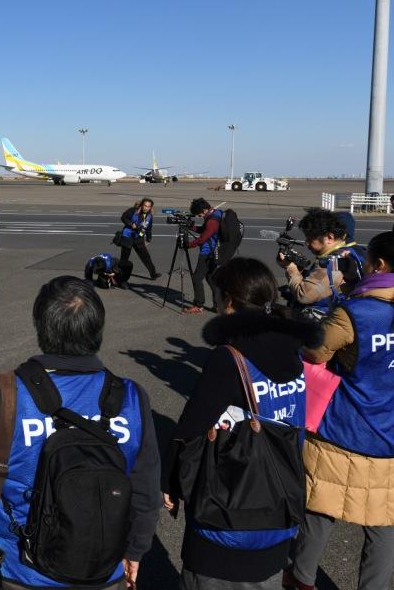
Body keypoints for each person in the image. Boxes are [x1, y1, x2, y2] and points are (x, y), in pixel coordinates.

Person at [0, 276, 161, 589]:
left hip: (21, 569)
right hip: (105, 567)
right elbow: (145, 489)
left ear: (41, 327)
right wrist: (136, 550)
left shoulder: (3, 393)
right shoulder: (131, 398)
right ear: (98, 330)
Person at [162, 257, 322, 589]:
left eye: (218, 296)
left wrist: (171, 482)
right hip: (280, 501)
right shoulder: (293, 352)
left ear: (229, 301)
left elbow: (191, 429)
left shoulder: (230, 357)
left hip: (226, 515)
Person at [286, 231, 394, 590]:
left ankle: (301, 577)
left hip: (345, 424)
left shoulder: (357, 311)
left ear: (378, 265)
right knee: (382, 521)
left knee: (321, 505)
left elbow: (315, 351)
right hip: (389, 432)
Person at [278, 208, 361, 313]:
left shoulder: (334, 262)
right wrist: (301, 270)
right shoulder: (352, 251)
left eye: (310, 238)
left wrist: (290, 268)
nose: (306, 243)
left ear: (330, 238)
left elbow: (304, 295)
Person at [184, 198, 221, 314]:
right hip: (215, 252)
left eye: (199, 214)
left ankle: (198, 305)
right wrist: (191, 227)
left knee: (197, 278)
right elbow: (204, 231)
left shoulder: (211, 221)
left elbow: (203, 238)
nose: (199, 216)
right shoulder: (216, 213)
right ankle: (218, 305)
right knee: (211, 278)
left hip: (207, 252)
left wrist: (189, 245)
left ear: (205, 210)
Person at [119, 198, 160, 279]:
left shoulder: (149, 215)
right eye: (145, 205)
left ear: (151, 207)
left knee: (146, 257)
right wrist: (131, 224)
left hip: (138, 238)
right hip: (128, 237)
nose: (146, 208)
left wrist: (148, 239)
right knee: (124, 259)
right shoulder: (133, 210)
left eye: (148, 206)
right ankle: (121, 278)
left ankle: (153, 274)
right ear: (142, 205)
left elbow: (148, 228)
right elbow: (123, 217)